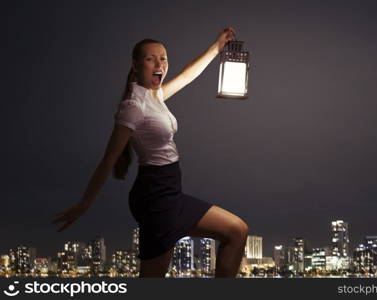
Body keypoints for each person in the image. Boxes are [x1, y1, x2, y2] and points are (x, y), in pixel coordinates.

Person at [52, 27, 249, 278]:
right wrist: (84, 204)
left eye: (163, 58)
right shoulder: (133, 106)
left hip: (171, 193)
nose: (160, 63)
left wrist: (216, 47)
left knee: (237, 230)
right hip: (156, 197)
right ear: (135, 65)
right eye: (150, 58)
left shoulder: (155, 97)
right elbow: (109, 158)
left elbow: (188, 76)